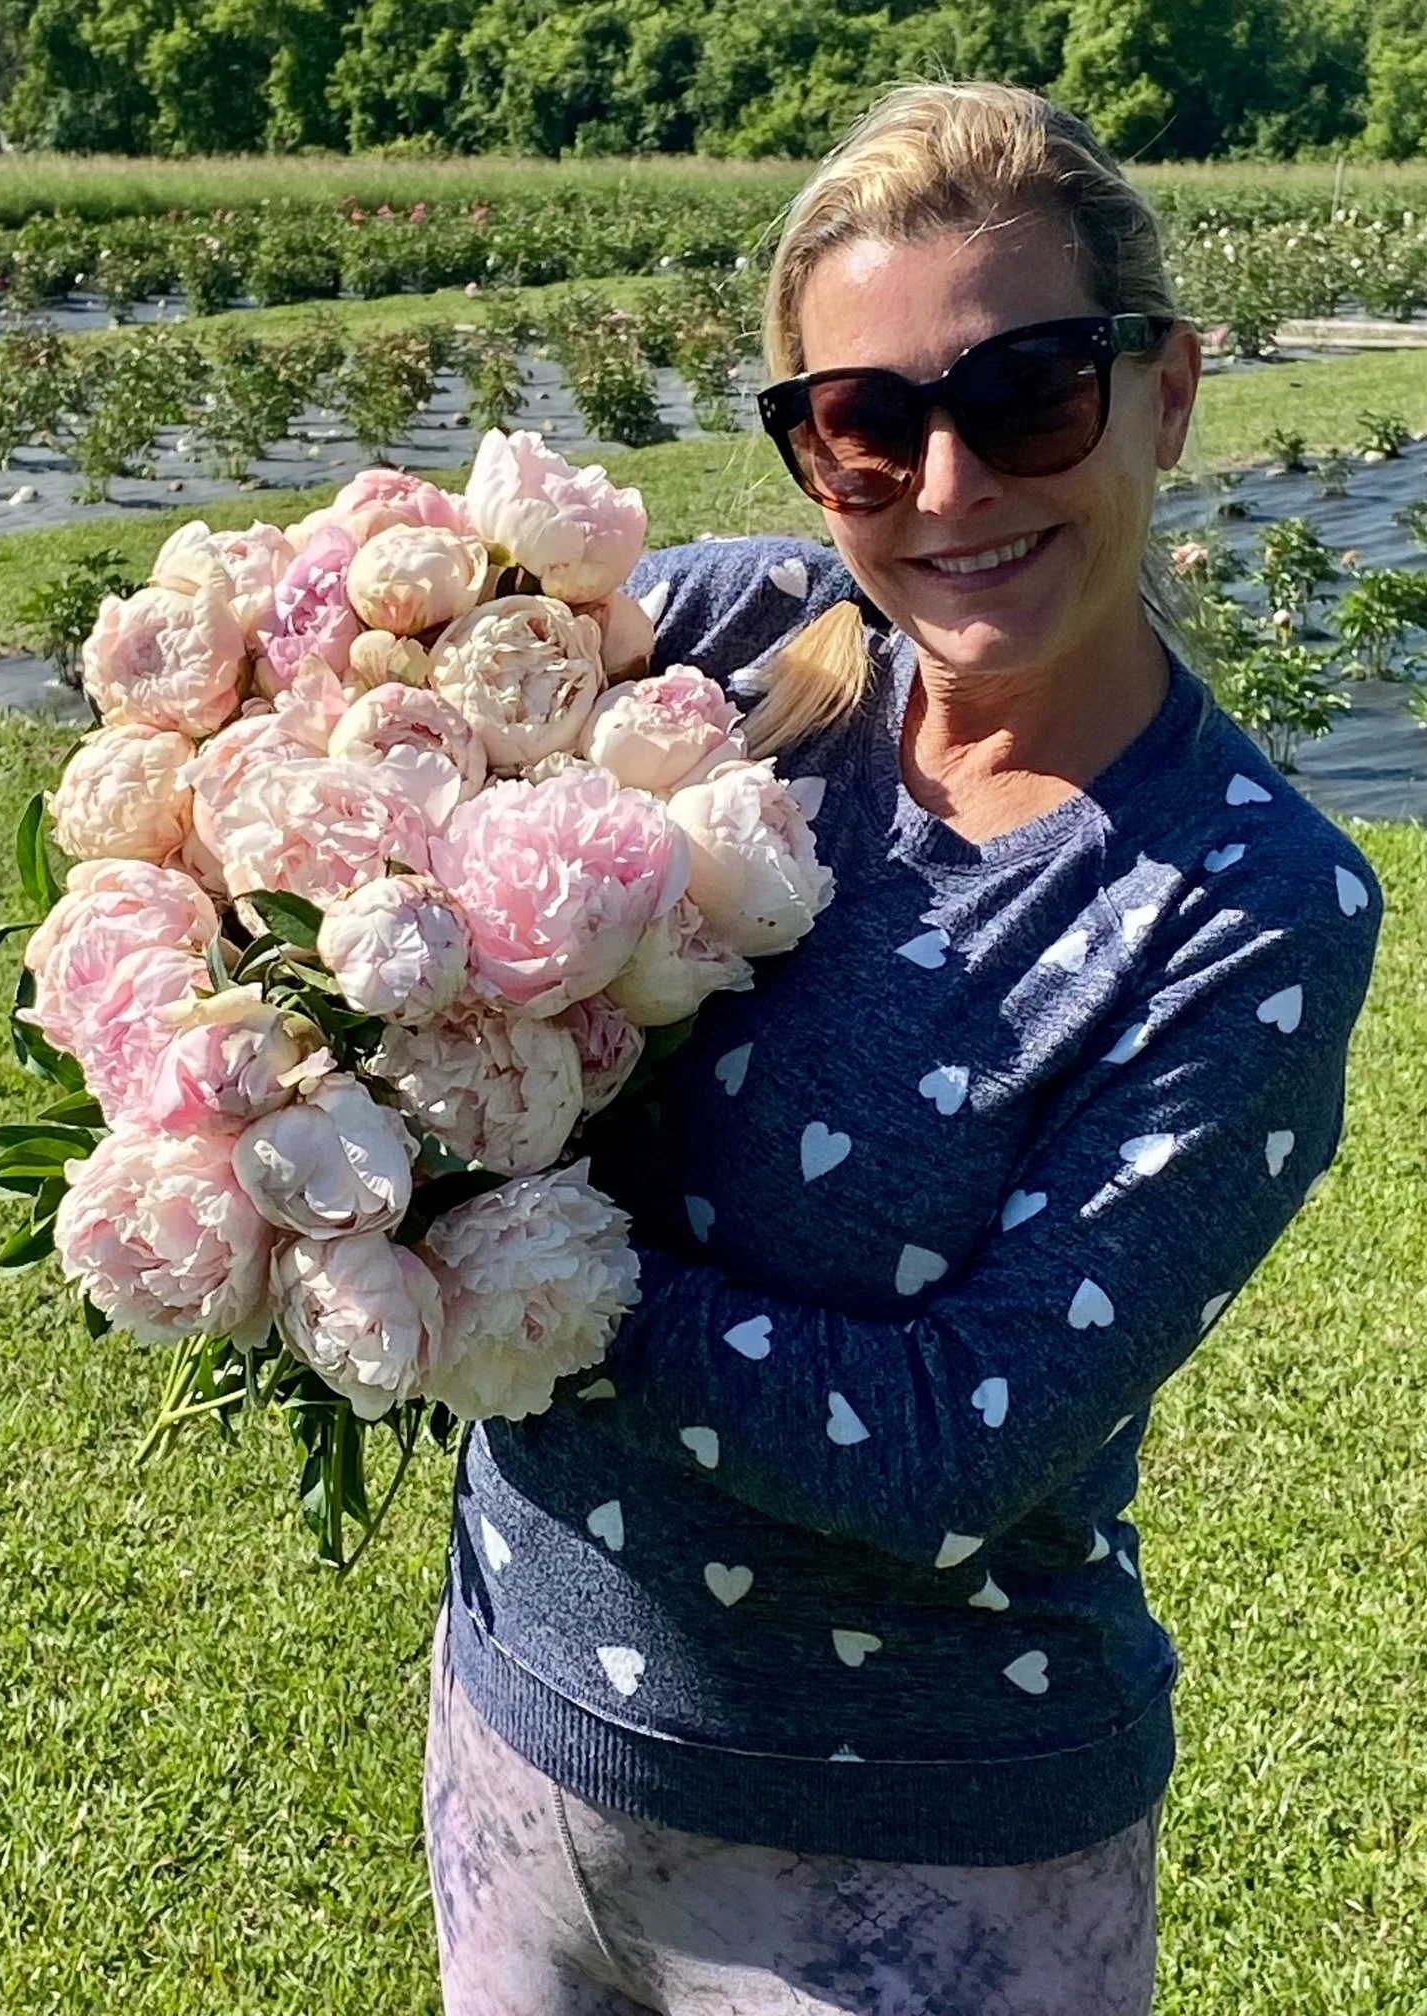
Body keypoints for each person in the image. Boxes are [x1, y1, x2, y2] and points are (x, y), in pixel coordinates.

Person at [422, 80, 1384, 2015]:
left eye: (1027, 393)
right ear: (807, 456)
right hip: (520, 1732)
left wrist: (471, 1246)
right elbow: (356, 710)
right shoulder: (717, 657)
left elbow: (947, 1447)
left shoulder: (1247, 908)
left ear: (1169, 392)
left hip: (920, 1870)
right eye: (863, 424)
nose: (947, 490)